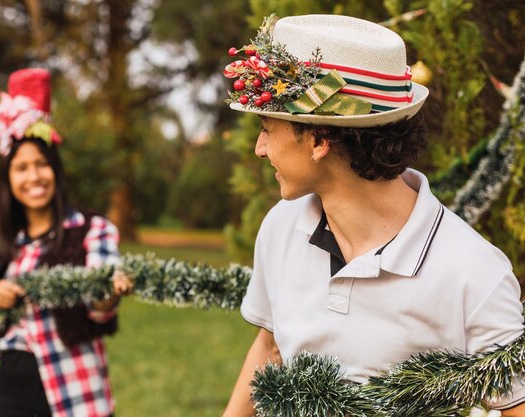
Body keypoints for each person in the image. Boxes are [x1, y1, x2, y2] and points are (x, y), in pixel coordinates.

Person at [221, 14, 525, 417]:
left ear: (318, 139)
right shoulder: (280, 226)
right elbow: (270, 346)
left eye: (267, 128)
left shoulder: (475, 275)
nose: (260, 148)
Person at [0, 68, 133, 417]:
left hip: (74, 392)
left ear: (56, 171)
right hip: (11, 393)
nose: (33, 176)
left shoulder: (93, 230)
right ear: (8, 180)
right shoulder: (1, 246)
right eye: (21, 168)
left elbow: (100, 307)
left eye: (41, 165)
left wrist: (108, 292)